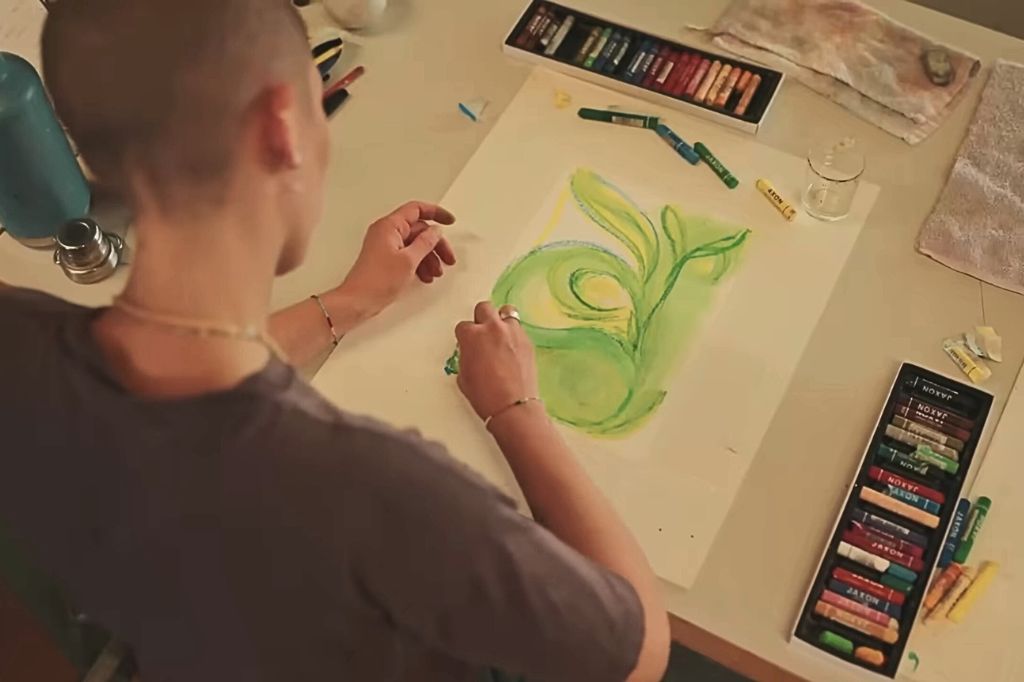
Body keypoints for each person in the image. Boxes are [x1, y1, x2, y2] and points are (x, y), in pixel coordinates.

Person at [0, 0, 670, 680]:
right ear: (284, 136)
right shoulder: (386, 494)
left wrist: (349, 302)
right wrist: (516, 409)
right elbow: (636, 655)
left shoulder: (20, 340)